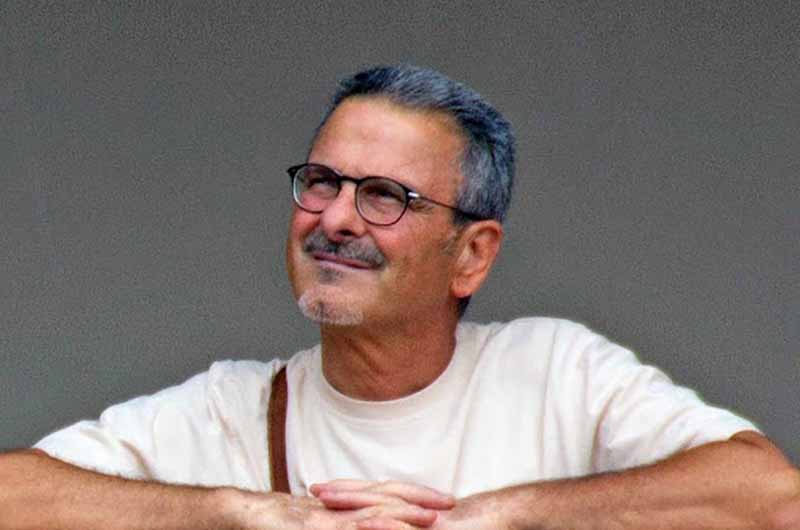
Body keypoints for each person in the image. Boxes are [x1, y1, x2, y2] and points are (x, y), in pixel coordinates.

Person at [1, 64, 797, 530]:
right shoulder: (228, 413)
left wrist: (498, 516)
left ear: (472, 255)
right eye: (322, 182)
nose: (335, 218)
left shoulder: (557, 374)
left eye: (385, 196)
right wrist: (247, 514)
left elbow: (771, 501)